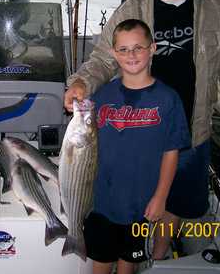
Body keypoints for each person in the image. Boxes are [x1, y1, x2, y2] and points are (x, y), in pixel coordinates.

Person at [65, 0, 220, 258]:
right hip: (139, 132)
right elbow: (103, 60)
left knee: (176, 201)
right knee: (137, 200)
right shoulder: (131, 8)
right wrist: (81, 83)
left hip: (194, 129)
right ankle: (132, 250)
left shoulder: (217, 7)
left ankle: (159, 256)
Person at [84, 19, 190, 274]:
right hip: (101, 203)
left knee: (128, 264)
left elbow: (171, 152)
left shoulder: (168, 99)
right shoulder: (100, 97)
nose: (131, 55)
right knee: (99, 264)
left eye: (138, 47)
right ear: (113, 53)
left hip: (141, 204)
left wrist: (161, 197)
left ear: (152, 48)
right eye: (123, 49)